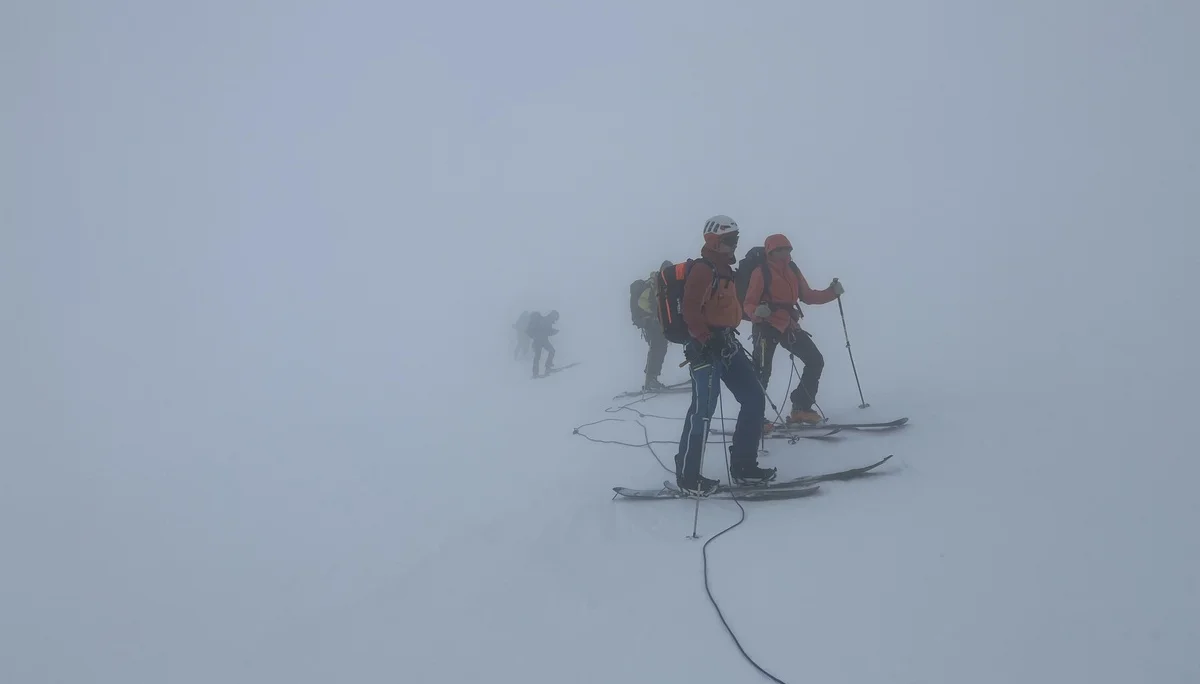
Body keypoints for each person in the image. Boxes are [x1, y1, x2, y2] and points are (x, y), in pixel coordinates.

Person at [674, 215, 777, 495]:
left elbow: (728, 311)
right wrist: (707, 339)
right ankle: (688, 475)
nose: (734, 246)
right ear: (714, 241)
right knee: (703, 411)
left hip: (727, 344)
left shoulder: (726, 272)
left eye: (736, 239)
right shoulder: (703, 271)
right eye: (730, 240)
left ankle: (744, 466)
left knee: (754, 397)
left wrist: (754, 315)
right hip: (705, 349)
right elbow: (691, 311)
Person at [742, 233, 844, 424]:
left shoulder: (792, 269)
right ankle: (753, 416)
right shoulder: (760, 272)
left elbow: (808, 296)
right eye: (779, 250)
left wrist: (832, 293)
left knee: (815, 360)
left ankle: (801, 407)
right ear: (770, 251)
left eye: (786, 249)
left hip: (788, 325)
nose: (783, 253)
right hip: (766, 325)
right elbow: (748, 304)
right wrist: (757, 312)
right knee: (762, 371)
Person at [629, 261, 673, 390]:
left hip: (654, 322)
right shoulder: (655, 284)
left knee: (659, 347)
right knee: (657, 347)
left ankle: (651, 378)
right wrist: (652, 315)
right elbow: (644, 303)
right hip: (650, 322)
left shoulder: (661, 283)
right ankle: (651, 380)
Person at [527, 310, 559, 377]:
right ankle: (546, 368)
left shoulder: (546, 319)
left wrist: (553, 331)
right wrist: (554, 332)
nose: (555, 320)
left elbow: (545, 330)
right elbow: (547, 331)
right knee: (551, 351)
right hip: (541, 340)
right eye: (555, 318)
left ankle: (536, 372)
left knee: (538, 356)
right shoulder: (548, 320)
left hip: (539, 340)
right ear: (553, 316)